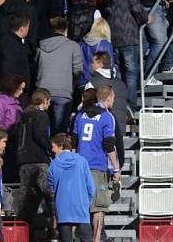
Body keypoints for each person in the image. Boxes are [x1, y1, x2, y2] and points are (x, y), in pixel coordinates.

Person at [71, 85, 121, 242]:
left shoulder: (80, 116)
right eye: (113, 98)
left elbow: (73, 142)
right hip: (97, 167)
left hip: (79, 166)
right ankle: (96, 239)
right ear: (108, 98)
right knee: (98, 207)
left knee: (78, 206)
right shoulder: (107, 117)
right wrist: (116, 169)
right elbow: (109, 145)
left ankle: (71, 238)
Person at [100, 0, 148, 106]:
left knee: (118, 71)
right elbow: (137, 10)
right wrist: (146, 19)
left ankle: (119, 103)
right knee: (131, 72)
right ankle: (131, 104)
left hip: (113, 37)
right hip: (129, 36)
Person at [16, 89, 57, 239]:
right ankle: (54, 232)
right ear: (44, 100)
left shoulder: (24, 116)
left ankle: (23, 234)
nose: (49, 104)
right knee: (51, 198)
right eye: (49, 101)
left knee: (27, 201)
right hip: (39, 162)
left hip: (23, 162)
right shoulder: (41, 116)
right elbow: (40, 135)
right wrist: (51, 148)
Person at [36, 17, 82, 133]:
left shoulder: (41, 45)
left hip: (43, 90)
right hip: (64, 92)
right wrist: (71, 85)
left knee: (43, 128)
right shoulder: (73, 46)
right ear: (66, 29)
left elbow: (36, 66)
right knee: (60, 130)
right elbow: (77, 71)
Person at [84, 52, 128, 172]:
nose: (91, 65)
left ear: (99, 63)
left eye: (93, 62)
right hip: (118, 130)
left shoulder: (92, 83)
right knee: (116, 166)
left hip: (98, 131)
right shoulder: (121, 83)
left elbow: (86, 107)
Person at [48, 133, 94, 242]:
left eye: (53, 147)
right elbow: (90, 186)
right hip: (81, 206)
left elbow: (51, 188)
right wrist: (88, 201)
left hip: (63, 207)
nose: (52, 150)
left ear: (61, 146)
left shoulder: (53, 165)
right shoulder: (82, 161)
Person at [0, 75, 24, 184]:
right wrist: (0, 142)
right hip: (5, 139)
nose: (22, 92)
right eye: (20, 89)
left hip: (15, 139)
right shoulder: (0, 102)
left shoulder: (16, 102)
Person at [0, 15, 32, 91]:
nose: (29, 29)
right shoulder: (11, 44)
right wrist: (17, 86)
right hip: (13, 90)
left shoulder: (13, 41)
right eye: (28, 26)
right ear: (22, 28)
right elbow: (9, 68)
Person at [79, 18, 115, 89]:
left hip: (82, 82)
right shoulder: (106, 44)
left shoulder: (81, 43)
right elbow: (109, 65)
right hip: (99, 83)